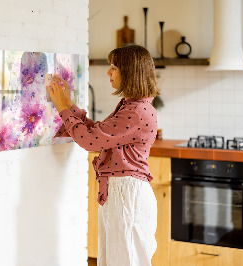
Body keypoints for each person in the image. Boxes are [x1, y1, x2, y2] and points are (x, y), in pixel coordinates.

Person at [47, 44, 159, 266]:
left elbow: (90, 141)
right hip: (122, 193)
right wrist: (68, 104)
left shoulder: (136, 111)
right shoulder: (132, 106)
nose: (108, 72)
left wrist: (62, 108)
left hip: (127, 195)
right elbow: (98, 133)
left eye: (114, 67)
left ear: (130, 72)